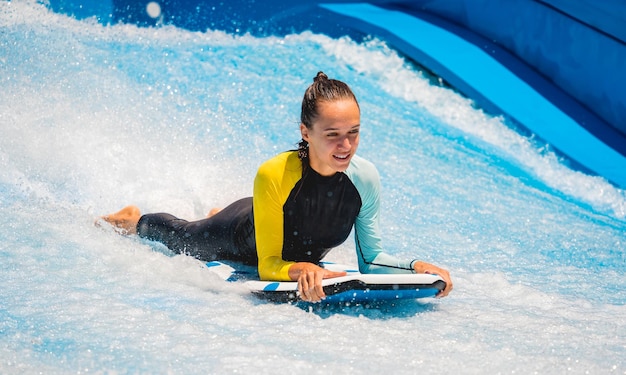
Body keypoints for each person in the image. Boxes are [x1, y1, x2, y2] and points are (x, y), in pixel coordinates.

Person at [101, 72, 453, 302]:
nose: (345, 146)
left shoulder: (365, 179)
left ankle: (212, 212)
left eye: (354, 132)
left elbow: (372, 260)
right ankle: (133, 219)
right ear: (305, 132)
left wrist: (417, 267)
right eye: (333, 135)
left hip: (278, 237)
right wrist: (301, 269)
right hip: (239, 236)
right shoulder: (274, 174)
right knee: (184, 236)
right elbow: (269, 265)